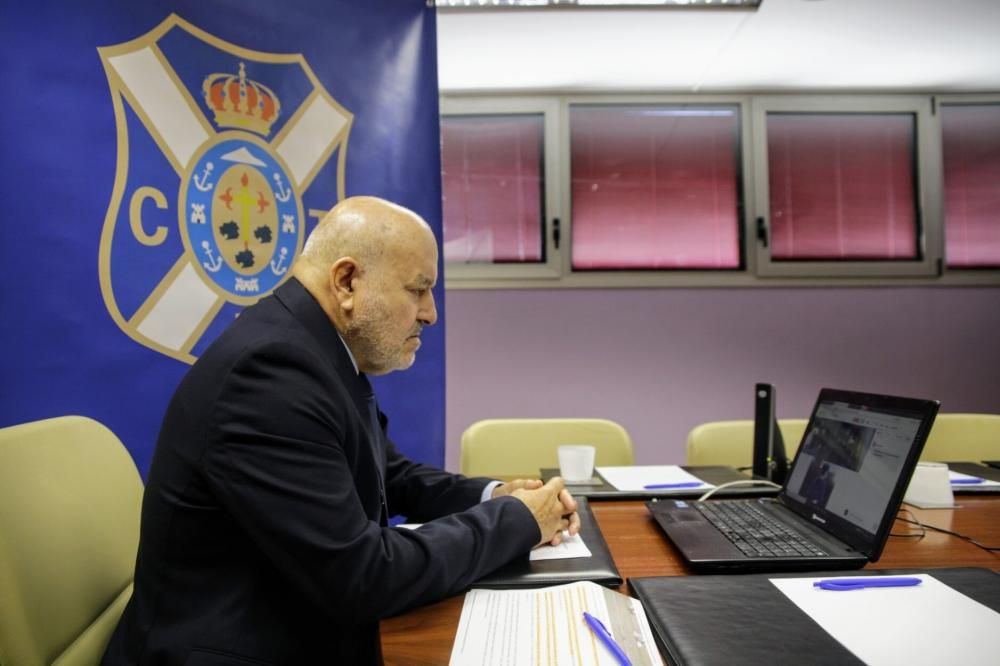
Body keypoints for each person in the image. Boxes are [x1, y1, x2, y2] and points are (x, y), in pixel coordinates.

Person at [102, 196, 580, 665]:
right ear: (347, 280)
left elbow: (389, 472)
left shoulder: (310, 348)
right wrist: (517, 521)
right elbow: (362, 575)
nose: (430, 313)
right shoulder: (270, 374)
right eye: (418, 289)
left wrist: (493, 496)